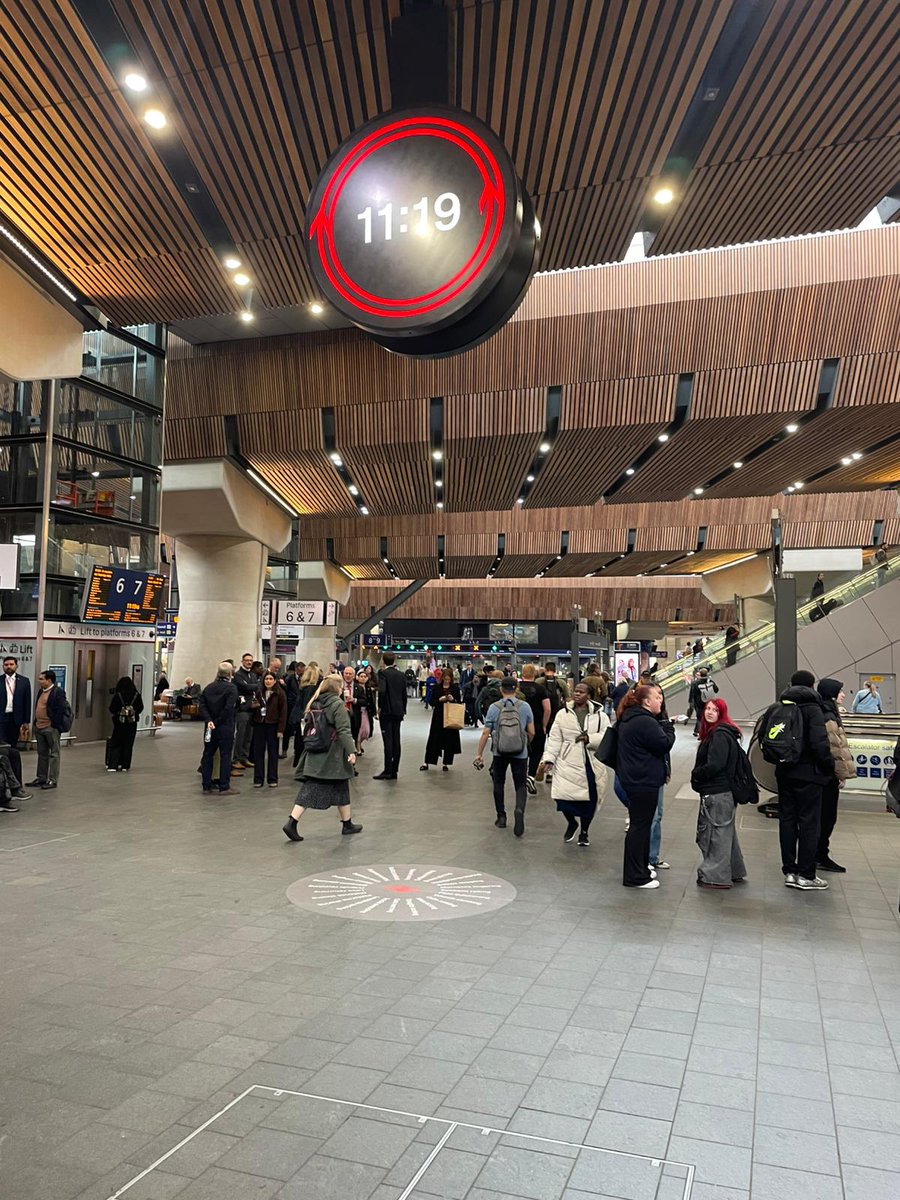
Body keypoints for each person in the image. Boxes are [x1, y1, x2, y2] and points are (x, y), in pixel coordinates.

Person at [772, 669, 834, 891]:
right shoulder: (813, 708)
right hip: (809, 774)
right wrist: (829, 766)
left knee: (787, 820)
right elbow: (819, 744)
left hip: (784, 772)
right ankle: (806, 874)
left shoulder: (780, 706)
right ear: (811, 686)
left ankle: (789, 871)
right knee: (809, 823)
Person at [282, 674, 362, 842]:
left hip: (315, 750)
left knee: (341, 786)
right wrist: (352, 751)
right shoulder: (337, 704)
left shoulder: (315, 702)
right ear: (336, 688)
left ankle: (347, 823)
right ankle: (292, 822)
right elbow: (344, 730)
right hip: (332, 754)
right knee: (312, 789)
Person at [615, 684, 675, 889]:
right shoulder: (644, 721)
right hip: (643, 782)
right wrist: (668, 727)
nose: (661, 700)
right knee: (639, 828)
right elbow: (664, 744)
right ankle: (635, 876)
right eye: (657, 696)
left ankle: (640, 867)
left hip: (634, 779)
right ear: (646, 701)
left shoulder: (630, 717)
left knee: (638, 826)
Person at [542, 680, 609, 847]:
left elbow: (607, 736)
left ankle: (584, 832)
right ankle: (572, 822)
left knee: (589, 800)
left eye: (581, 692)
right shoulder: (563, 714)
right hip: (567, 761)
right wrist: (549, 758)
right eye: (576, 691)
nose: (577, 694)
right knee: (562, 798)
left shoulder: (600, 715)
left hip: (590, 762)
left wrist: (590, 739)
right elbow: (555, 738)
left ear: (589, 695)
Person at [691, 699, 748, 889]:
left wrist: (696, 775)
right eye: (707, 709)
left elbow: (715, 765)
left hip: (717, 791)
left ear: (721, 713)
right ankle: (734, 870)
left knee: (716, 833)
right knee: (725, 831)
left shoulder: (718, 735)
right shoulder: (725, 732)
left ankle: (715, 875)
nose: (709, 712)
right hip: (725, 791)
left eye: (715, 710)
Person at [475, 677, 533, 836]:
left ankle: (501, 817)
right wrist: (524, 743)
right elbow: (532, 731)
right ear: (516, 689)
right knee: (520, 784)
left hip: (499, 751)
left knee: (498, 783)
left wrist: (479, 754)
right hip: (520, 752)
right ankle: (519, 809)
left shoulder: (495, 707)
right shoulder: (525, 706)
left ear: (501, 689)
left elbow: (486, 732)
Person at [816, 678, 855, 873]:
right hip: (827, 776)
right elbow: (834, 747)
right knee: (827, 817)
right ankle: (820, 855)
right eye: (840, 691)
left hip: (824, 775)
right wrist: (840, 774)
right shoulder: (828, 715)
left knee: (823, 817)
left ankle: (818, 853)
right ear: (831, 694)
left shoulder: (824, 711)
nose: (843, 694)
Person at [198, 663, 240, 795]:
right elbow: (229, 708)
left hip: (209, 727)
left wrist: (209, 720)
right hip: (225, 727)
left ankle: (206, 785)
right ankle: (224, 786)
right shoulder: (231, 688)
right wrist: (217, 721)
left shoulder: (208, 688)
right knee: (225, 756)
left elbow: (202, 706)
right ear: (230, 674)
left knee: (208, 754)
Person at [30, 669, 69, 791]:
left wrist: (54, 725)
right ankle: (41, 777)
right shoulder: (41, 691)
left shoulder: (58, 692)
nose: (39, 681)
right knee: (42, 754)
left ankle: (52, 780)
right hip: (39, 726)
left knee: (54, 754)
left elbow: (61, 709)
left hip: (50, 727)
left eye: (41, 679)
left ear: (49, 680)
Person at [421, 666, 462, 771]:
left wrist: (453, 699)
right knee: (434, 738)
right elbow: (431, 701)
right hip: (438, 716)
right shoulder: (437, 688)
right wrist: (439, 699)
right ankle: (427, 761)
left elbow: (459, 703)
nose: (447, 681)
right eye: (445, 679)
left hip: (451, 716)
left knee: (449, 740)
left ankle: (446, 763)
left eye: (449, 679)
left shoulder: (455, 688)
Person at [251, 670, 287, 788]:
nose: (268, 681)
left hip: (273, 726)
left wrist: (280, 730)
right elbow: (253, 706)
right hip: (259, 725)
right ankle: (258, 779)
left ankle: (272, 778)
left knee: (273, 753)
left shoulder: (280, 693)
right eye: (266, 679)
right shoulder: (259, 692)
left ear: (275, 681)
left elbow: (283, 713)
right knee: (258, 753)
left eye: (271, 679)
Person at [518, 664, 550, 794]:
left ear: (522, 674)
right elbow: (547, 709)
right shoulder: (541, 689)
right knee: (537, 751)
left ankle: (520, 777)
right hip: (536, 724)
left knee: (521, 752)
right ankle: (531, 776)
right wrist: (544, 725)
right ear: (535, 674)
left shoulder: (517, 689)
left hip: (518, 726)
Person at [374, 652, 406, 780]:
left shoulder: (383, 673)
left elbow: (382, 691)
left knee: (388, 741)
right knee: (396, 740)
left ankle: (387, 770)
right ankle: (394, 770)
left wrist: (380, 707)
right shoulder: (401, 675)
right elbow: (404, 694)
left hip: (387, 711)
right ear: (395, 660)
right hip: (398, 711)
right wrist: (403, 709)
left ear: (383, 660)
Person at [107, 676, 144, 772]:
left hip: (119, 723)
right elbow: (140, 707)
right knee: (128, 744)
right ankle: (125, 765)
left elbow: (112, 708)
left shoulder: (118, 695)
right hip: (132, 723)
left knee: (116, 743)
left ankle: (113, 765)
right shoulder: (136, 695)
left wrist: (118, 712)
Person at [232, 652, 259, 768]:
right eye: (247, 660)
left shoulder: (252, 675)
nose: (249, 662)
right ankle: (236, 759)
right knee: (240, 735)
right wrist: (256, 685)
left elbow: (254, 688)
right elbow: (245, 687)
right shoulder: (238, 675)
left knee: (249, 735)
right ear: (242, 661)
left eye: (250, 661)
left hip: (252, 709)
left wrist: (254, 686)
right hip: (242, 710)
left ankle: (244, 757)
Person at [2, 655, 31, 756]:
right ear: (3, 666)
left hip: (15, 718)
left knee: (12, 745)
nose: (8, 666)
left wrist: (26, 721)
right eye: (6, 665)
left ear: (16, 666)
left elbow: (27, 702)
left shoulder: (24, 681)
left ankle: (11, 768)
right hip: (1, 717)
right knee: (1, 745)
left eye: (11, 664)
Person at [688, 668, 719, 736]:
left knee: (699, 718)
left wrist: (691, 702)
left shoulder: (695, 683)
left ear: (700, 674)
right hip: (709, 702)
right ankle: (703, 731)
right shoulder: (710, 681)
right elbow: (716, 690)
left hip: (699, 703)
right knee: (708, 717)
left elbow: (692, 693)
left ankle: (699, 732)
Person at [281, 662, 301, 758]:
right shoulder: (290, 678)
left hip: (299, 707)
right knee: (287, 730)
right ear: (297, 669)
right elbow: (286, 690)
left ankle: (297, 750)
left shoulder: (304, 679)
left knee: (298, 731)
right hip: (290, 706)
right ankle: (284, 750)